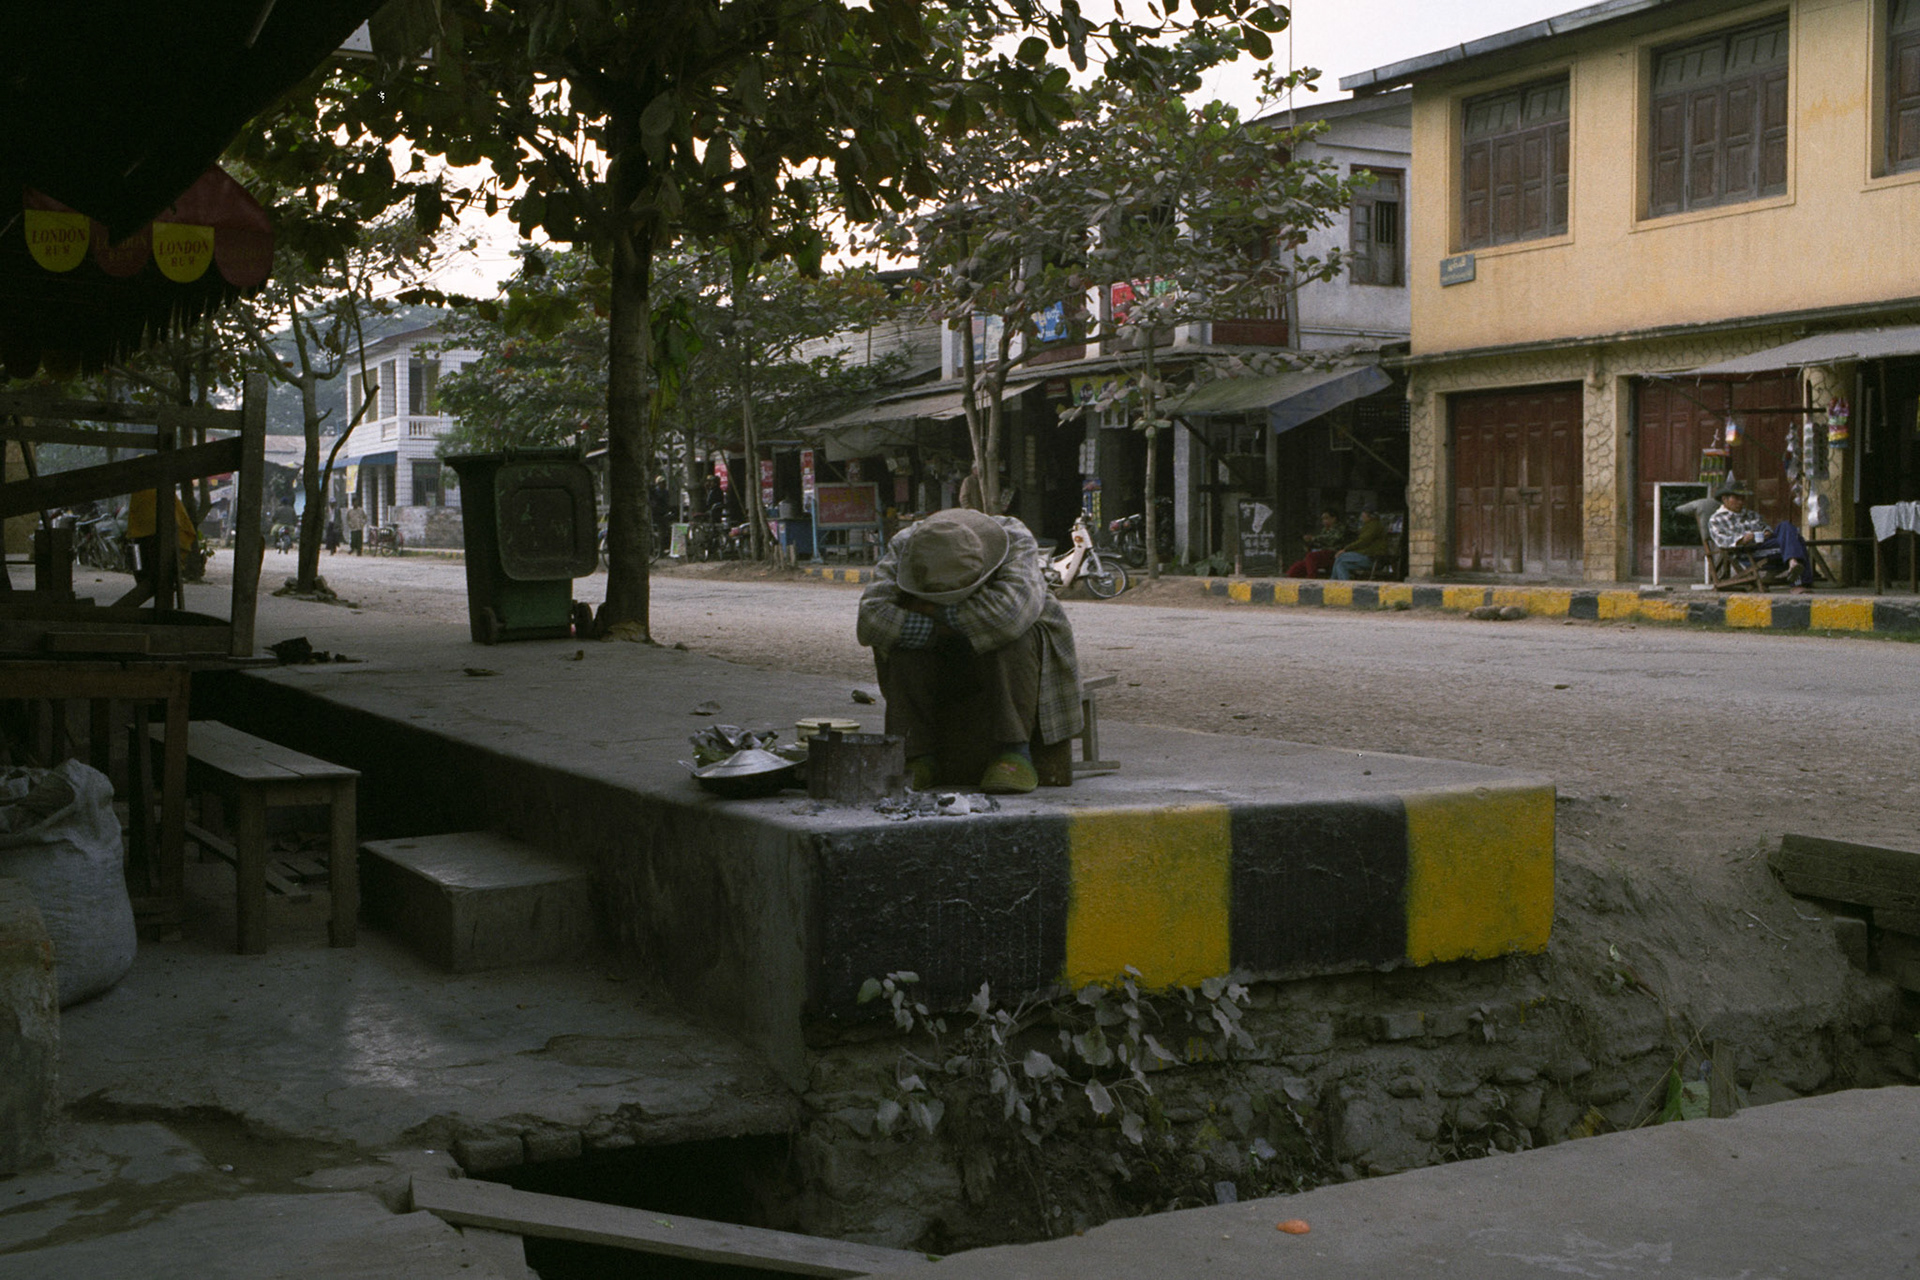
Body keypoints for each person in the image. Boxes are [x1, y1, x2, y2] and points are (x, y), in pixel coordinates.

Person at [858, 508, 1081, 795]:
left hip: (1012, 657)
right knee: (899, 644)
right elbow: (870, 620)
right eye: (937, 598)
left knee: (1012, 636)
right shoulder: (906, 544)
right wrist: (949, 629)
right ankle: (918, 754)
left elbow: (1008, 616)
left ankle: (1013, 750)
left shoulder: (1015, 539)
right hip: (945, 655)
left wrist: (928, 610)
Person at [1707, 482, 1812, 590]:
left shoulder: (1751, 514)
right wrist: (1742, 540)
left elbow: (1765, 527)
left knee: (1785, 525)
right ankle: (1799, 583)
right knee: (1798, 540)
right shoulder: (1716, 519)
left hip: (1766, 544)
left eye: (1743, 498)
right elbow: (1721, 540)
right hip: (1750, 551)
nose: (1741, 502)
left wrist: (1767, 532)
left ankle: (1793, 563)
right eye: (1737, 498)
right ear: (1725, 499)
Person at [1286, 508, 1346, 578]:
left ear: (1334, 518)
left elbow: (1334, 539)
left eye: (1326, 518)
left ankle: (1312, 577)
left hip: (1334, 553)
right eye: (1323, 519)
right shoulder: (1325, 530)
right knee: (1300, 565)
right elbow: (1319, 543)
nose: (1324, 521)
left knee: (1311, 557)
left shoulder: (1340, 528)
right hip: (1322, 553)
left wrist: (1314, 538)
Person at [1331, 507, 1388, 580]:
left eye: (1363, 514)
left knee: (1340, 556)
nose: (1362, 517)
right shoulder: (1368, 526)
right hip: (1365, 556)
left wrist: (1346, 549)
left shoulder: (1374, 526)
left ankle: (1332, 581)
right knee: (1341, 565)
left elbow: (1363, 541)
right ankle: (1343, 585)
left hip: (1372, 558)